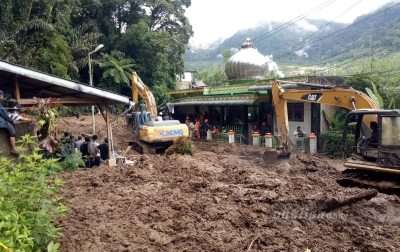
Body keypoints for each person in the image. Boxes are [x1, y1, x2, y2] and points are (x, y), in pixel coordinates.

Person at [0, 90, 20, 154]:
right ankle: (14, 149)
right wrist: (12, 120)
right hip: (2, 120)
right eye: (2, 95)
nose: (2, 97)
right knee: (12, 132)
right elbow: (4, 114)